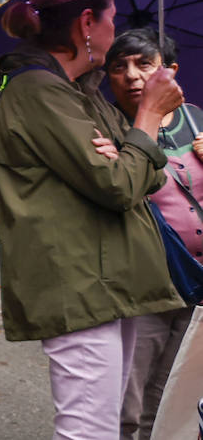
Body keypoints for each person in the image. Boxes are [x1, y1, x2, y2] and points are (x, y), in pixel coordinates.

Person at [0, 0, 183, 438]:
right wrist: (151, 116)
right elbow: (119, 184)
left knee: (113, 424)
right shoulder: (37, 90)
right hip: (77, 283)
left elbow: (148, 174)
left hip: (109, 280)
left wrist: (133, 150)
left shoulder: (83, 90)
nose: (115, 30)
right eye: (112, 19)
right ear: (87, 22)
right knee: (89, 430)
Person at [106, 29, 203, 440]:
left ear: (170, 70)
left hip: (198, 287)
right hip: (144, 286)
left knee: (174, 397)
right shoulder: (108, 127)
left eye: (144, 63)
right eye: (119, 66)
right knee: (125, 401)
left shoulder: (195, 117)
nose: (131, 75)